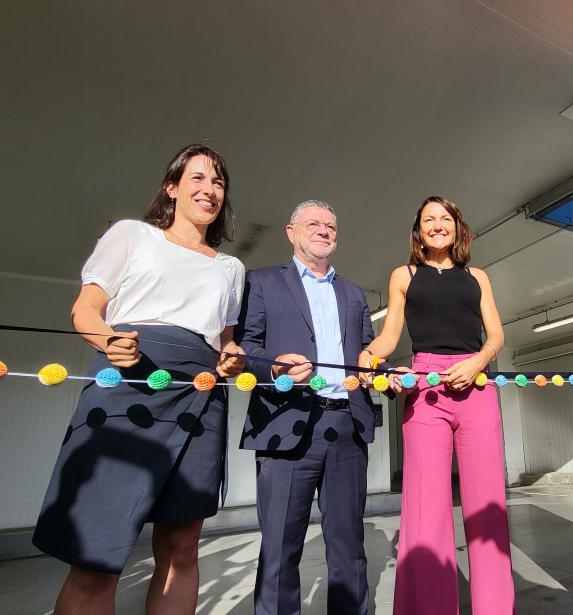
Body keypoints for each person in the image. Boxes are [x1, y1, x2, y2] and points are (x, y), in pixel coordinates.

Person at [32, 143, 247, 615]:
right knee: (96, 552)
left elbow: (224, 339)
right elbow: (86, 309)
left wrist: (231, 358)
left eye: (218, 182)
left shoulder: (231, 268)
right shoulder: (131, 235)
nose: (209, 189)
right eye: (197, 178)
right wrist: (107, 340)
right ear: (171, 187)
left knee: (182, 544)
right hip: (127, 386)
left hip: (200, 397)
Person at [358, 196, 515, 614]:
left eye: (445, 218)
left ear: (457, 227)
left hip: (476, 384)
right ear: (419, 231)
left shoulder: (477, 277)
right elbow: (390, 336)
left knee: (487, 510)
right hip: (425, 389)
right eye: (429, 219)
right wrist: (369, 355)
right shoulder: (403, 275)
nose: (437, 225)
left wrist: (478, 361)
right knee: (426, 510)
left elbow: (496, 336)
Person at [237, 200, 376, 615]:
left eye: (331, 225)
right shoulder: (261, 282)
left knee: (349, 545)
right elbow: (246, 347)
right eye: (313, 223)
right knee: (280, 547)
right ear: (291, 231)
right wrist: (274, 365)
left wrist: (383, 368)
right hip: (285, 423)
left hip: (347, 427)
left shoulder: (354, 293)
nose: (323, 230)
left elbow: (366, 351)